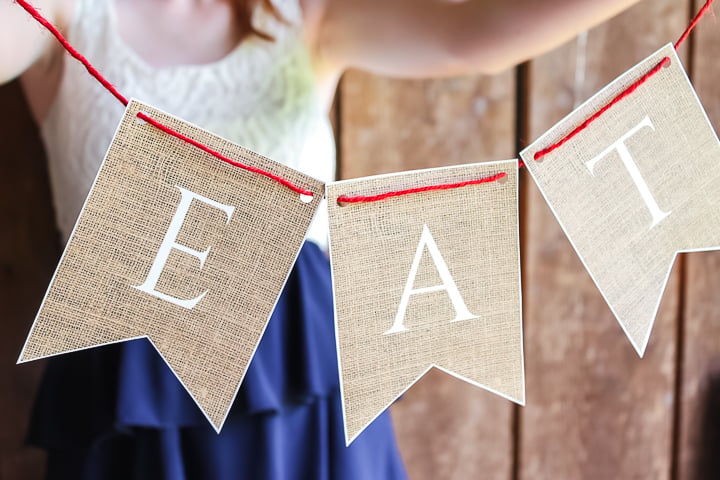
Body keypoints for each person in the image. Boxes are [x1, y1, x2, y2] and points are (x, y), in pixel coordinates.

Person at [1, 0, 644, 478]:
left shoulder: (302, 13)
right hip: (136, 405)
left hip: (304, 391)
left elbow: (469, 38)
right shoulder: (62, 12)